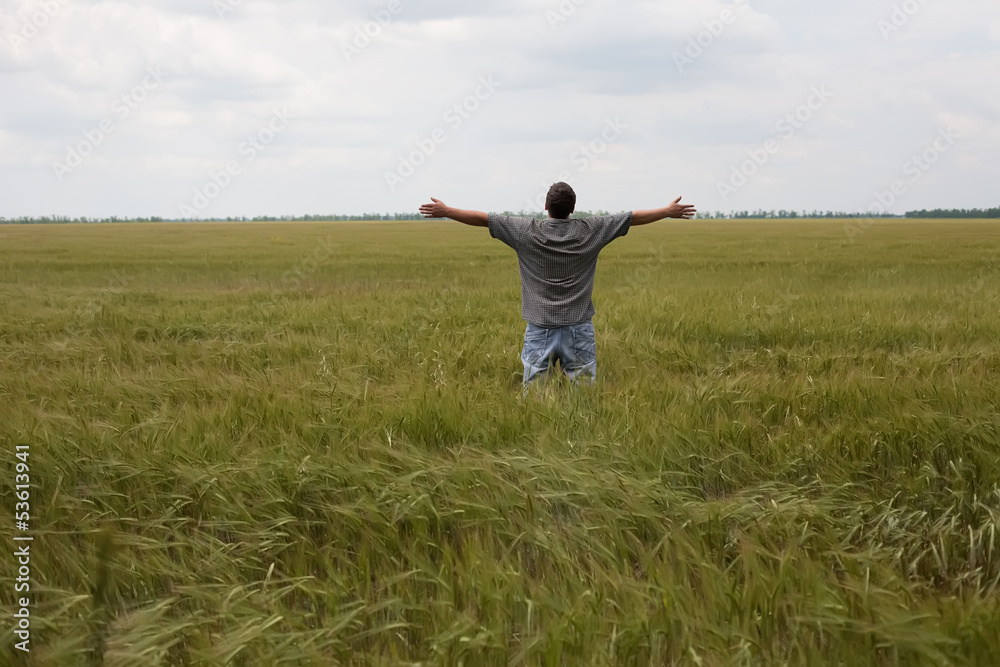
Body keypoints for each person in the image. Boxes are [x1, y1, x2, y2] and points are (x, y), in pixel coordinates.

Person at [419, 182, 696, 389]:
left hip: (539, 329)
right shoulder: (591, 230)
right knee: (584, 399)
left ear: (545, 207)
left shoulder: (525, 231)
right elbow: (631, 217)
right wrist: (667, 211)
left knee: (537, 401)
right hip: (579, 329)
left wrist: (446, 210)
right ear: (573, 209)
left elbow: (484, 219)